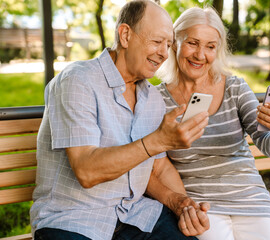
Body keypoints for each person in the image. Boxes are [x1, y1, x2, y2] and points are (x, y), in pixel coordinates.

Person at [30, 1, 210, 240]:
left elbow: (159, 166)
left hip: (134, 215)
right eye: (157, 42)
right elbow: (86, 171)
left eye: (168, 45)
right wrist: (157, 141)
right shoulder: (77, 82)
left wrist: (182, 204)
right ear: (125, 35)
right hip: (73, 220)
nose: (164, 53)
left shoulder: (153, 99)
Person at [156, 7, 270, 240]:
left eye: (210, 46)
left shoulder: (235, 88)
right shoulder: (156, 101)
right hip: (201, 205)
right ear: (175, 42)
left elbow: (266, 143)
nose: (201, 55)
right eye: (193, 43)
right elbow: (154, 165)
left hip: (250, 198)